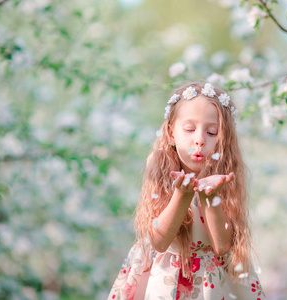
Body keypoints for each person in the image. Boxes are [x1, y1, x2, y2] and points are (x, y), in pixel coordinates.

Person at [108, 82, 266, 300]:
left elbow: (221, 246)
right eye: (190, 129)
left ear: (224, 139)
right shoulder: (160, 168)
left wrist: (210, 197)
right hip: (167, 279)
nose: (199, 140)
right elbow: (160, 242)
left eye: (212, 132)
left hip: (211, 285)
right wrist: (182, 195)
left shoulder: (224, 177)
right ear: (171, 132)